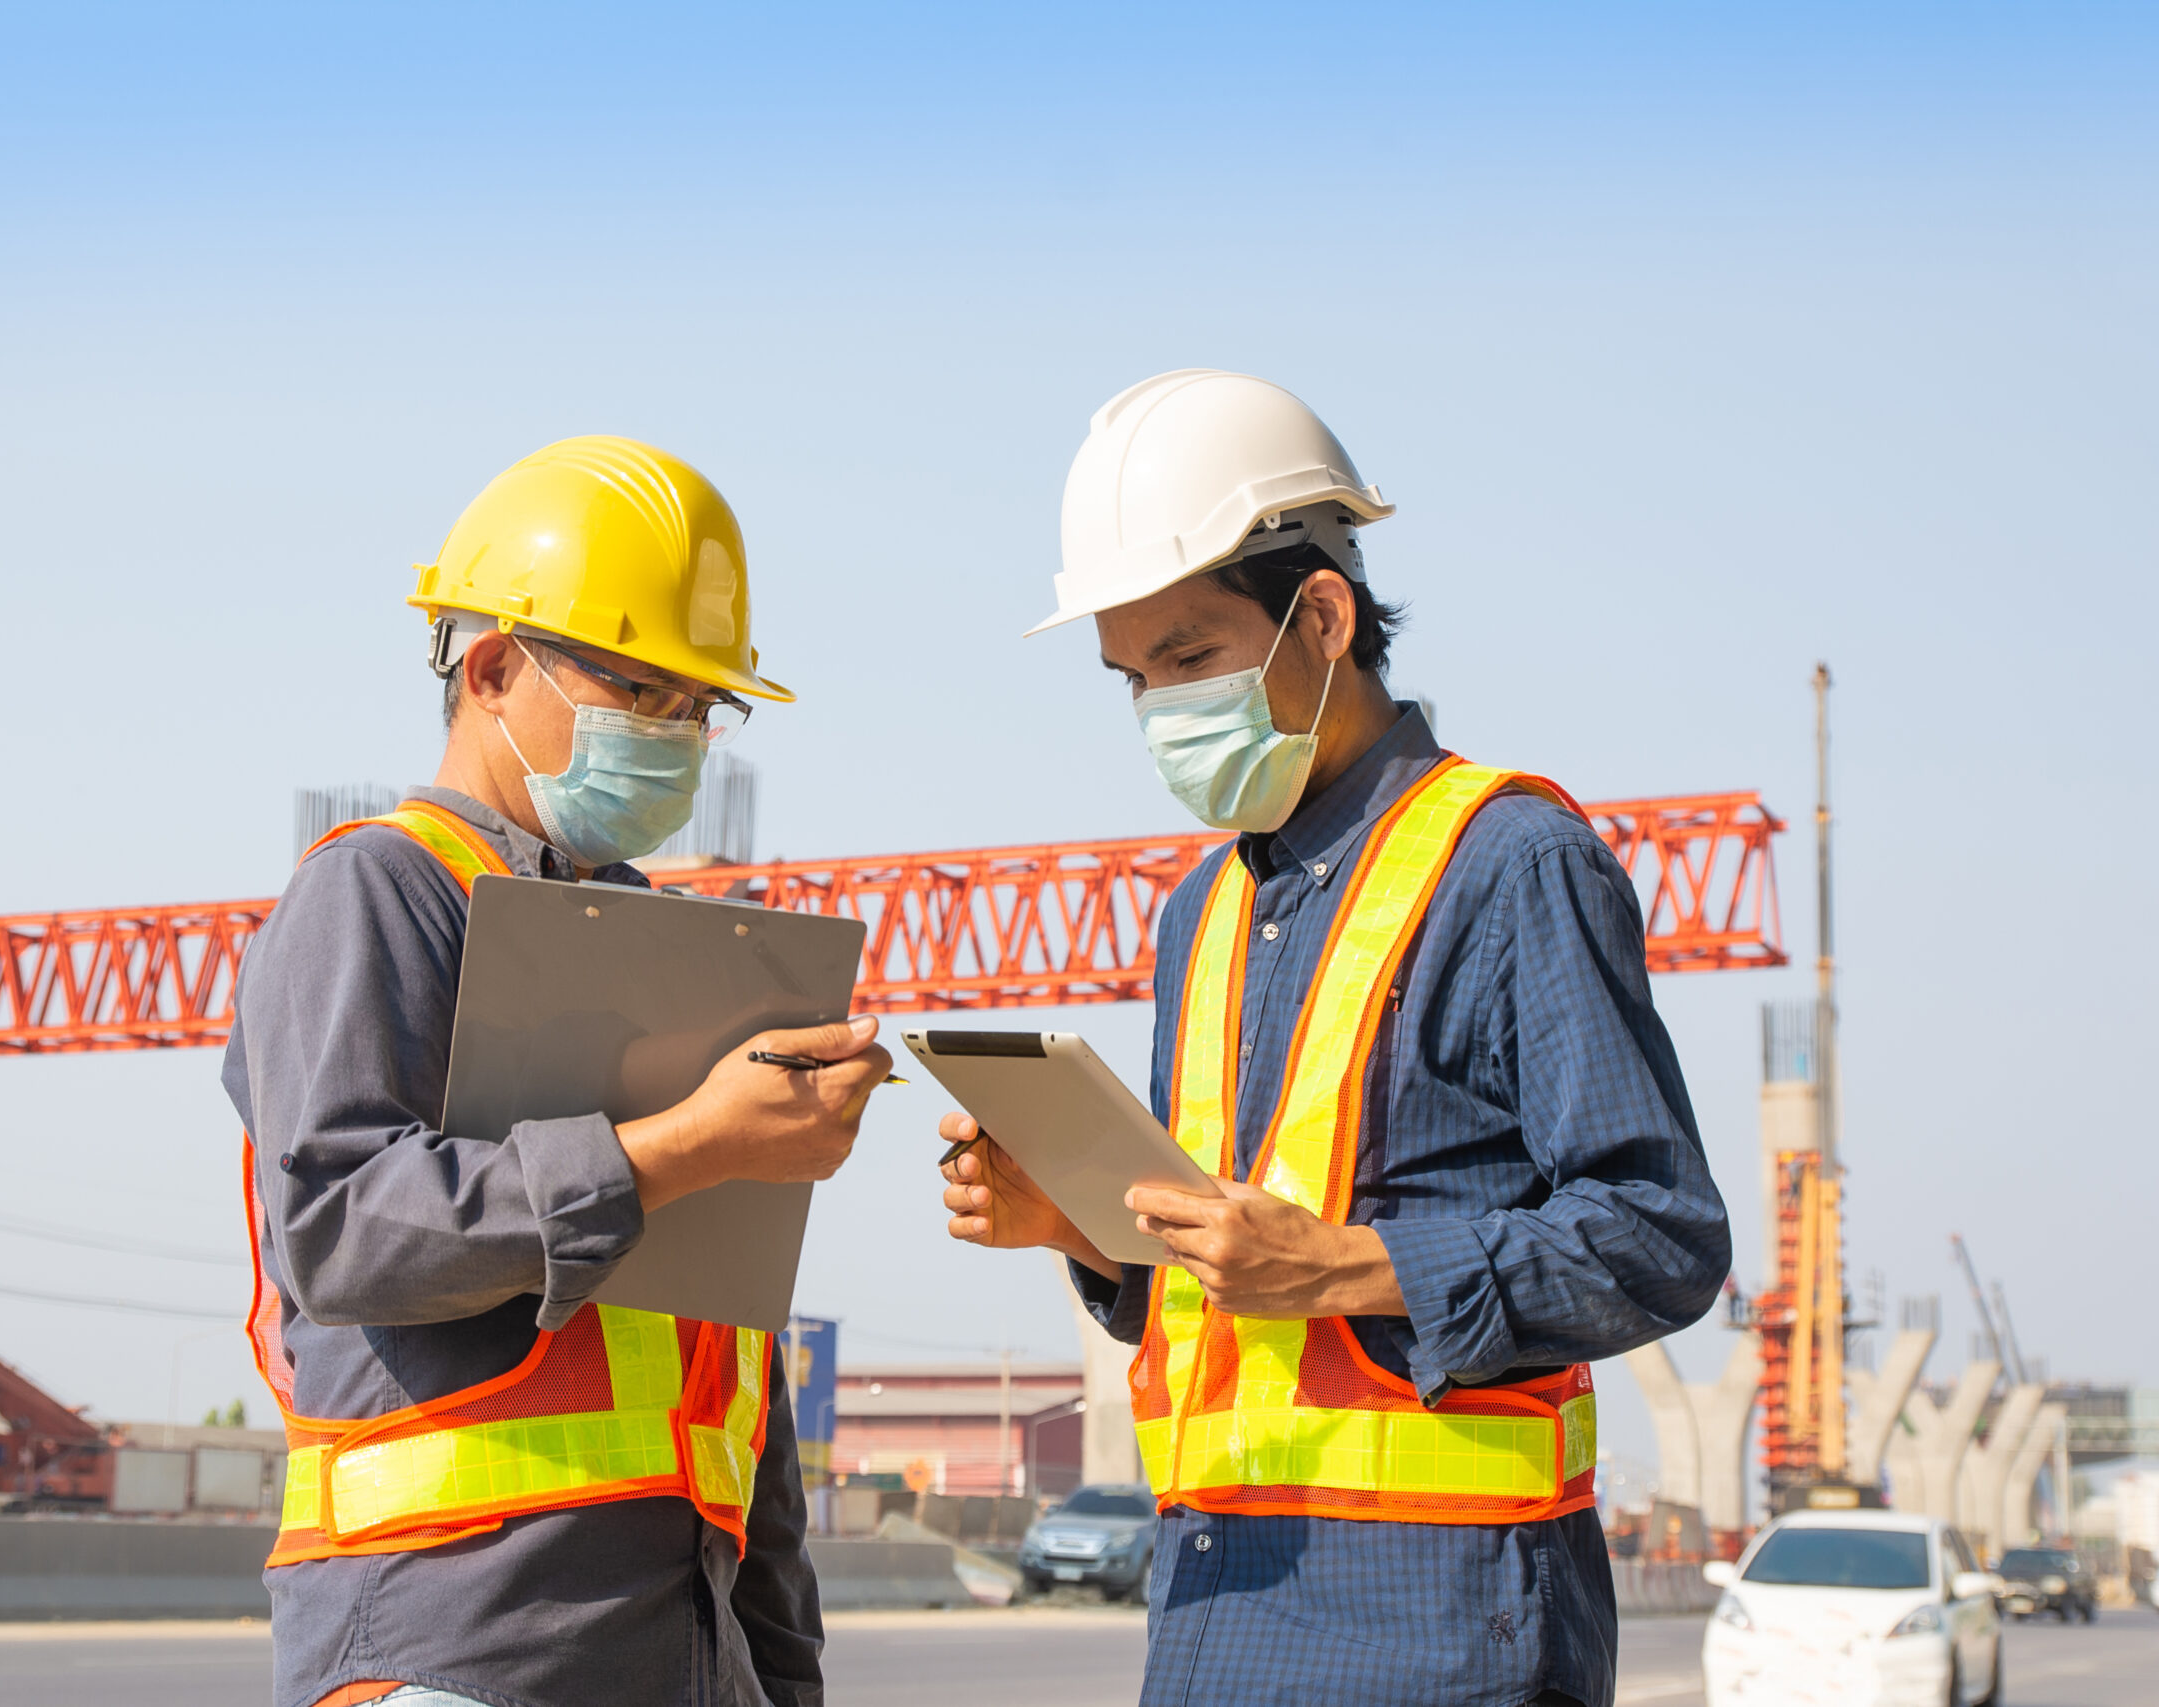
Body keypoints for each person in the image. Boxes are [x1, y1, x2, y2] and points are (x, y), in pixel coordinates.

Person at [938, 370, 1733, 1707]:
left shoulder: (1514, 863)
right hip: (1213, 1610)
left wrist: (1349, 1264)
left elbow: (1661, 1236)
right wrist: (1081, 1226)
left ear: (1322, 613)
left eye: (1188, 659)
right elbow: (1220, 1272)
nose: (1157, 710)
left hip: (1438, 1624)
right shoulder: (1203, 911)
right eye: (1130, 676)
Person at [227, 436, 891, 1707]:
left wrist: (782, 1678)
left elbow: (727, 1383)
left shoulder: (673, 947)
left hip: (681, 1658)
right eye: (642, 693)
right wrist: (690, 1142)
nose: (678, 735)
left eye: (700, 707)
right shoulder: (378, 891)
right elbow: (342, 1233)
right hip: (450, 1649)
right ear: (490, 669)